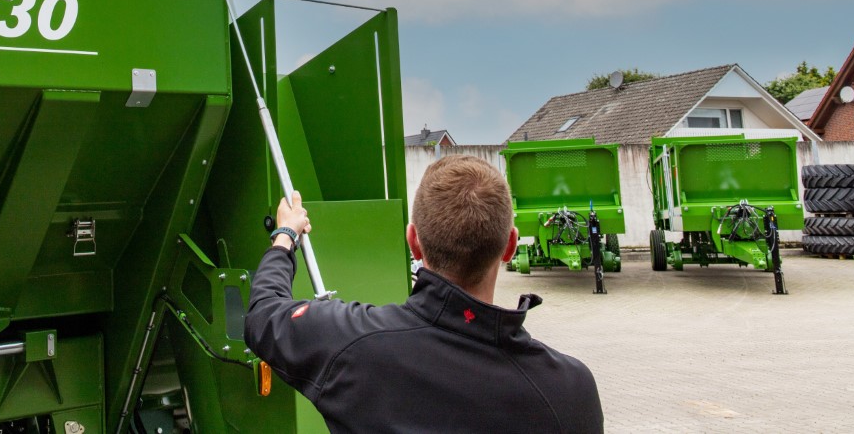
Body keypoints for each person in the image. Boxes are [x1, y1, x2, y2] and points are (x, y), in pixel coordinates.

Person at [244, 154, 603, 433]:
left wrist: (286, 236)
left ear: (413, 242)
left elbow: (264, 314)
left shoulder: (353, 344)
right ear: (509, 246)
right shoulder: (571, 389)